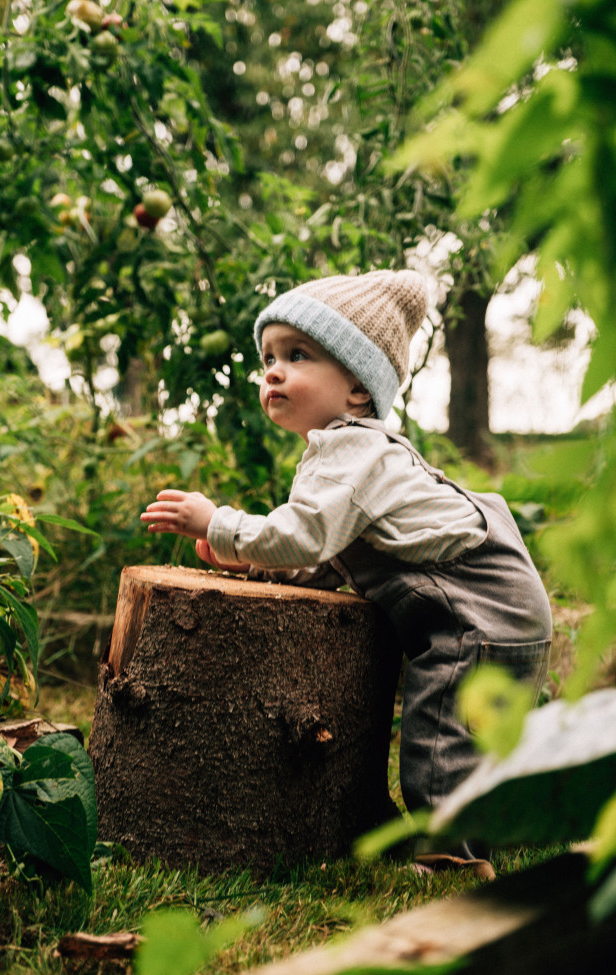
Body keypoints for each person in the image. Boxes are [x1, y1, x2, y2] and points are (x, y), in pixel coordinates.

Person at [141, 269, 552, 870]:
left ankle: (452, 860)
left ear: (359, 387)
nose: (273, 371)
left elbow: (304, 535)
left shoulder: (353, 451)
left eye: (298, 355)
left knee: (440, 735)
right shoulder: (348, 451)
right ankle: (521, 820)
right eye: (268, 358)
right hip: (503, 603)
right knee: (483, 737)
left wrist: (219, 525)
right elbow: (329, 559)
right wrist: (257, 565)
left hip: (478, 614)